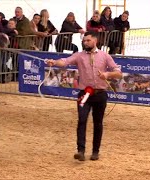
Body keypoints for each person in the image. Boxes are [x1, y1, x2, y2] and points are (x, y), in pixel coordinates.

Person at [46, 31, 122, 161]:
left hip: (100, 94)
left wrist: (107, 75)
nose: (85, 42)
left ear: (95, 41)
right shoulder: (79, 56)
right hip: (85, 93)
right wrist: (54, 62)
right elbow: (65, 61)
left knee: (98, 123)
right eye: (84, 41)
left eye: (88, 40)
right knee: (82, 120)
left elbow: (118, 72)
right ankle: (80, 150)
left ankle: (95, 151)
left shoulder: (105, 56)